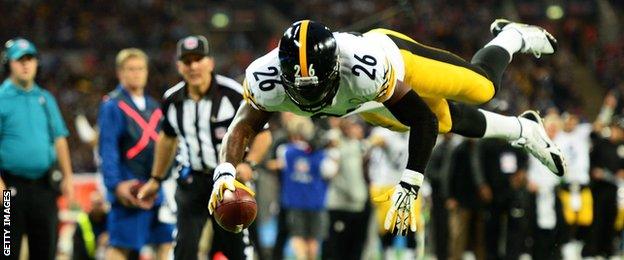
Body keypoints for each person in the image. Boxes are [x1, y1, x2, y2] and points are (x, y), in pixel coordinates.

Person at [208, 18, 566, 235]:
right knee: (443, 121)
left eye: (317, 88)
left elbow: (418, 118)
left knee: (483, 87)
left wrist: (410, 183)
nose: (311, 99)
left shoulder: (367, 70)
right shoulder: (264, 78)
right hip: (362, 105)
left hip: (397, 64)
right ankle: (524, 130)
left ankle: (510, 36)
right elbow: (244, 124)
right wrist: (225, 170)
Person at [137, 35, 271, 260]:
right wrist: (156, 178)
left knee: (238, 249)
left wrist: (249, 163)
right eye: (187, 61)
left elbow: (263, 134)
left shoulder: (233, 93)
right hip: (192, 181)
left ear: (210, 62)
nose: (193, 66)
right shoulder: (172, 100)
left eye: (198, 59)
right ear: (179, 66)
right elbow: (167, 139)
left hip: (230, 182)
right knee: (184, 249)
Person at [0, 38, 74, 259]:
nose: (25, 64)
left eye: (30, 59)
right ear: (9, 64)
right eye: (19, 60)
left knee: (46, 250)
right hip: (10, 188)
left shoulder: (45, 98)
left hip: (44, 187)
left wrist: (68, 176)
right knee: (7, 251)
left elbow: (59, 139)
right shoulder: (1, 98)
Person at [97, 48, 174, 259]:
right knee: (121, 244)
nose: (136, 73)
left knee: (166, 240)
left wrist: (162, 178)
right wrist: (115, 184)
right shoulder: (112, 105)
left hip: (154, 187)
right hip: (129, 184)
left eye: (140, 68)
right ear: (120, 73)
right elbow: (108, 148)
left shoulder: (154, 106)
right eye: (131, 69)